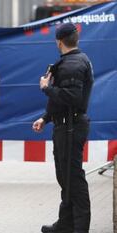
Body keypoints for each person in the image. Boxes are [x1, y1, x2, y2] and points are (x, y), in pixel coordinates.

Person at [33, 23, 93, 233]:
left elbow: (72, 98)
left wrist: (46, 88)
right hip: (66, 124)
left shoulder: (72, 64)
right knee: (65, 176)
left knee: (73, 177)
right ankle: (66, 223)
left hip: (71, 127)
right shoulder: (73, 61)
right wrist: (46, 117)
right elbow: (64, 98)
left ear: (59, 41)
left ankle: (80, 227)